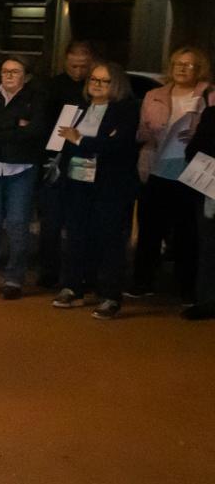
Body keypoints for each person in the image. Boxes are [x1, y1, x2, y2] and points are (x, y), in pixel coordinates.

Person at [51, 61, 140, 319]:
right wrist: (92, 143)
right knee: (76, 235)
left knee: (110, 239)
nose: (97, 85)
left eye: (104, 81)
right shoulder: (78, 108)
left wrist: (79, 139)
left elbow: (118, 145)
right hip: (77, 182)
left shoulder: (126, 109)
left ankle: (110, 295)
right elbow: (61, 141)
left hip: (111, 185)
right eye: (93, 79)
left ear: (117, 84)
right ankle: (73, 287)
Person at [129, 47, 210, 303]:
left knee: (188, 233)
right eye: (177, 63)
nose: (182, 68)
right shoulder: (154, 94)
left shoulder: (209, 94)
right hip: (157, 167)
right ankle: (142, 283)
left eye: (189, 64)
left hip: (192, 171)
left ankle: (187, 289)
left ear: (200, 69)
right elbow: (140, 133)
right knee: (150, 229)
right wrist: (152, 132)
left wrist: (200, 134)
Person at [0, 56, 46, 298]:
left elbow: (35, 130)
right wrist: (14, 123)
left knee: (17, 224)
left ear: (26, 75)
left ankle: (14, 279)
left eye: (15, 71)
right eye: (5, 71)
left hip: (21, 166)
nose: (9, 75)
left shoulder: (36, 97)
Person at [37, 40, 94, 287]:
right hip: (55, 161)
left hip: (86, 159)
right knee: (51, 221)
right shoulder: (52, 87)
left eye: (83, 66)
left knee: (80, 222)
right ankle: (49, 272)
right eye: (74, 66)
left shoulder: (95, 88)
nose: (78, 72)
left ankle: (79, 274)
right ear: (65, 62)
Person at [182, 87, 215, 320]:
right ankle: (205, 299)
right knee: (208, 244)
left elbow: (195, 149)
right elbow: (195, 148)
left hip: (209, 184)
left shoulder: (212, 115)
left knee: (209, 245)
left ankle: (206, 300)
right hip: (210, 186)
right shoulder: (211, 115)